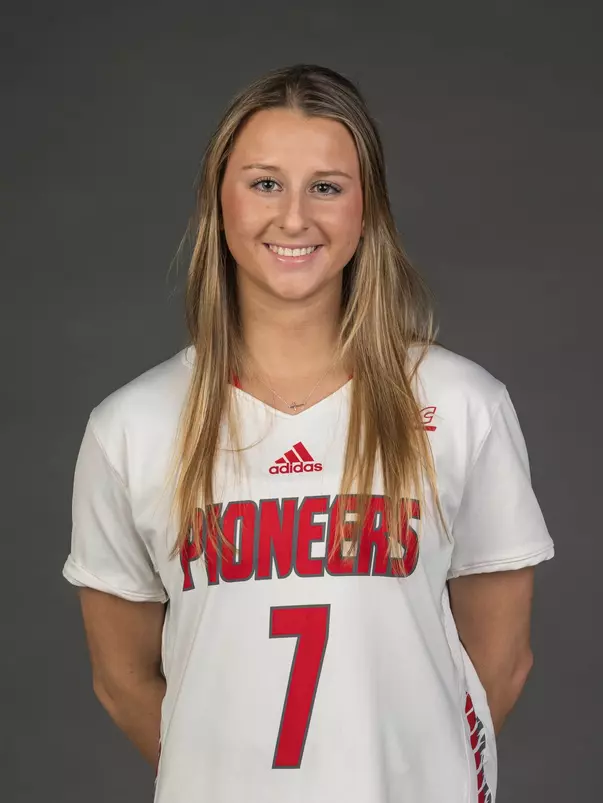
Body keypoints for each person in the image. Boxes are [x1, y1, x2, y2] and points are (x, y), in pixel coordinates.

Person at [63, 64, 554, 803]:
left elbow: (501, 661)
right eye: (264, 183)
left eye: (326, 186)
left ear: (366, 210)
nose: (294, 218)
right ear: (217, 201)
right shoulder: (132, 425)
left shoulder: (458, 404)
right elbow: (122, 677)